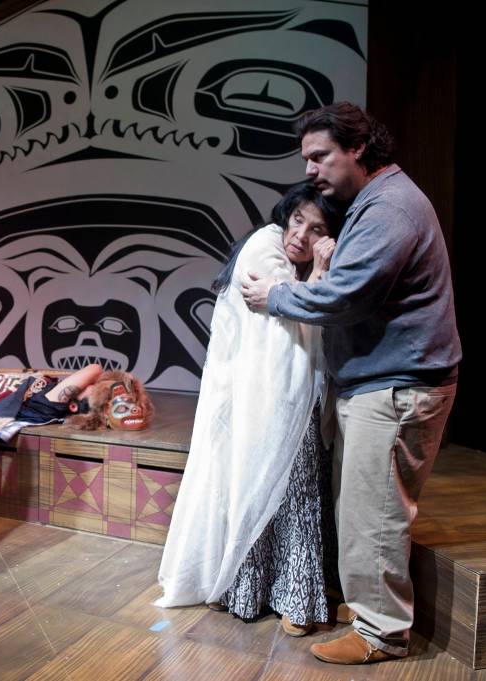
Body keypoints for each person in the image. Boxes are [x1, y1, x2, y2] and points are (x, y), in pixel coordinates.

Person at [241, 102, 461, 664]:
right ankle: (366, 612)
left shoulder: (390, 207)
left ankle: (381, 634)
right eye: (307, 158)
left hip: (397, 386)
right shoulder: (375, 203)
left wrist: (277, 297)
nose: (310, 170)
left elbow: (347, 295)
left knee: (376, 511)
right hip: (379, 383)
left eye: (320, 156)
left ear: (358, 148)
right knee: (361, 506)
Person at [157, 182, 343, 637]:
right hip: (274, 399)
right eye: (297, 219)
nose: (300, 233)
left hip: (276, 397)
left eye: (316, 228)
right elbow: (296, 325)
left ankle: (253, 592)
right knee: (288, 492)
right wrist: (320, 270)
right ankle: (297, 600)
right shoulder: (264, 247)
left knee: (270, 491)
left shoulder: (283, 260)